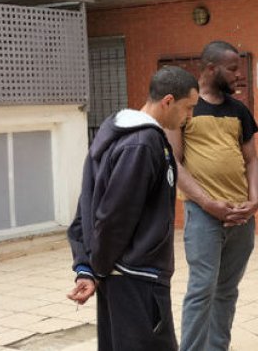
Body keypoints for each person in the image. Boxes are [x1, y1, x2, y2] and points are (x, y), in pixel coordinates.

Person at [66, 65, 200, 351]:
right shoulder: (141, 144)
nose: (189, 117)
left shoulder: (123, 136)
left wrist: (88, 268)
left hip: (123, 275)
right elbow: (113, 216)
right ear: (168, 101)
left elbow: (88, 206)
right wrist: (96, 269)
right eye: (188, 108)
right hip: (136, 276)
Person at [168, 41, 258, 351]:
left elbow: (251, 160)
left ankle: (217, 347)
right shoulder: (185, 108)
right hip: (204, 216)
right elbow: (175, 164)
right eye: (233, 69)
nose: (239, 75)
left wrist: (255, 200)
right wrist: (209, 203)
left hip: (241, 217)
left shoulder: (239, 111)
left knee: (227, 290)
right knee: (201, 289)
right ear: (211, 69)